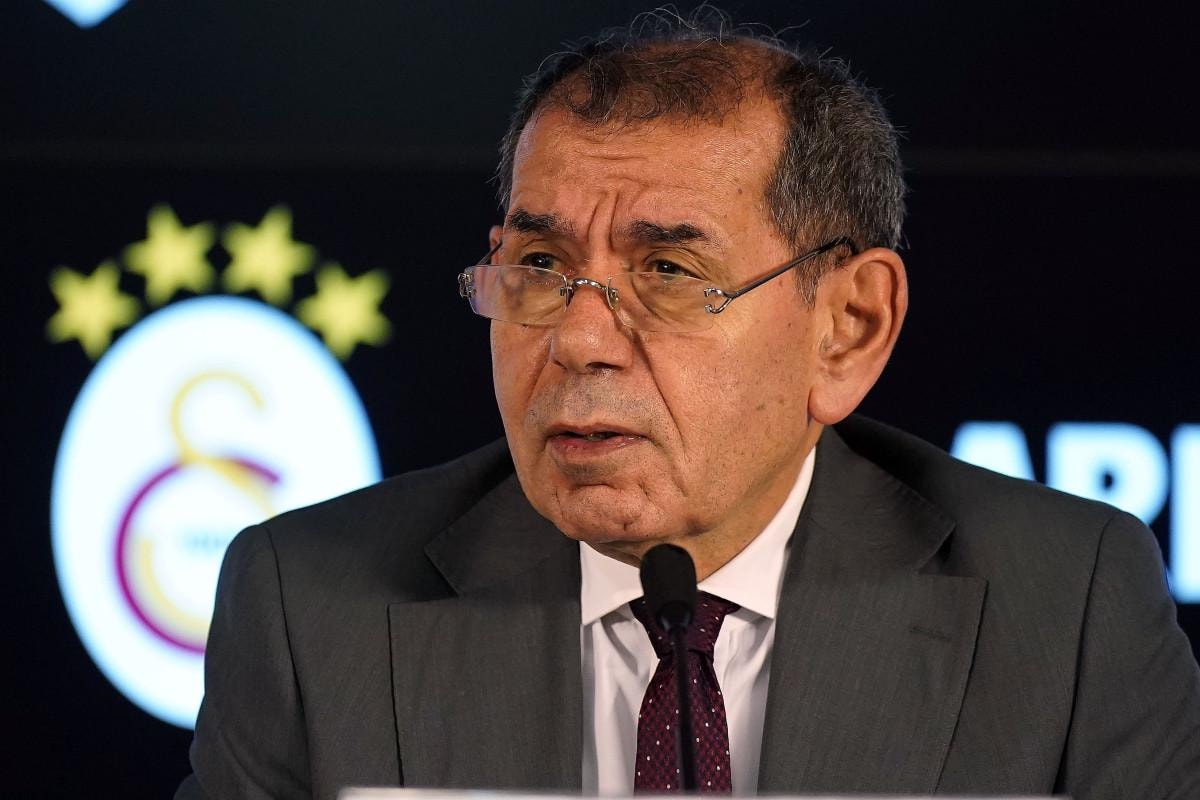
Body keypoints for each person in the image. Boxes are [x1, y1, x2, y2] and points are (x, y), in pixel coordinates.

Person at [176, 8, 1200, 800]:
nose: (578, 338)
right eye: (541, 265)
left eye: (668, 271)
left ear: (847, 328)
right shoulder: (312, 607)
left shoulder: (1065, 610)